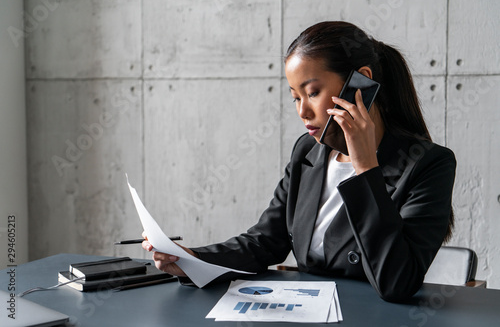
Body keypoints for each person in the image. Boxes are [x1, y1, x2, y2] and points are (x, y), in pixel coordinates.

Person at [142, 21, 456, 302]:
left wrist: (365, 167)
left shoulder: (428, 164)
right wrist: (192, 260)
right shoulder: (308, 152)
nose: (302, 111)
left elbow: (397, 282)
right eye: (295, 97)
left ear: (361, 83)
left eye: (313, 92)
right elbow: (266, 241)